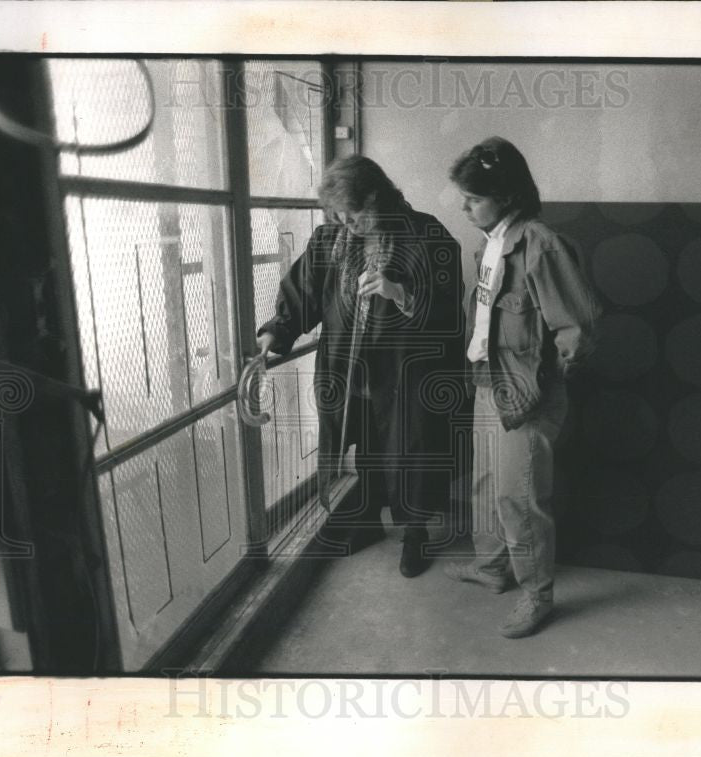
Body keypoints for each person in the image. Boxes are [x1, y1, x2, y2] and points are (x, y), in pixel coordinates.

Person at [257, 155, 465, 578]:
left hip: (407, 371)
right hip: (350, 368)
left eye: (354, 216)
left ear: (377, 197)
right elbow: (304, 293)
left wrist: (399, 292)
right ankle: (368, 520)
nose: (347, 226)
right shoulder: (330, 239)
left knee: (411, 451)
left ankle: (414, 534)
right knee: (367, 447)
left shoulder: (427, 236)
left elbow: (447, 310)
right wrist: (274, 334)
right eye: (340, 217)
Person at [445, 137, 600, 637]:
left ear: (507, 196)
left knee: (520, 497)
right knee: (487, 483)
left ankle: (537, 594)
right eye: (464, 195)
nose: (463, 205)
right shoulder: (491, 241)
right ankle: (492, 568)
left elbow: (577, 328)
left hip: (525, 393)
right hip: (489, 381)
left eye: (473, 197)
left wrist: (544, 384)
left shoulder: (540, 244)